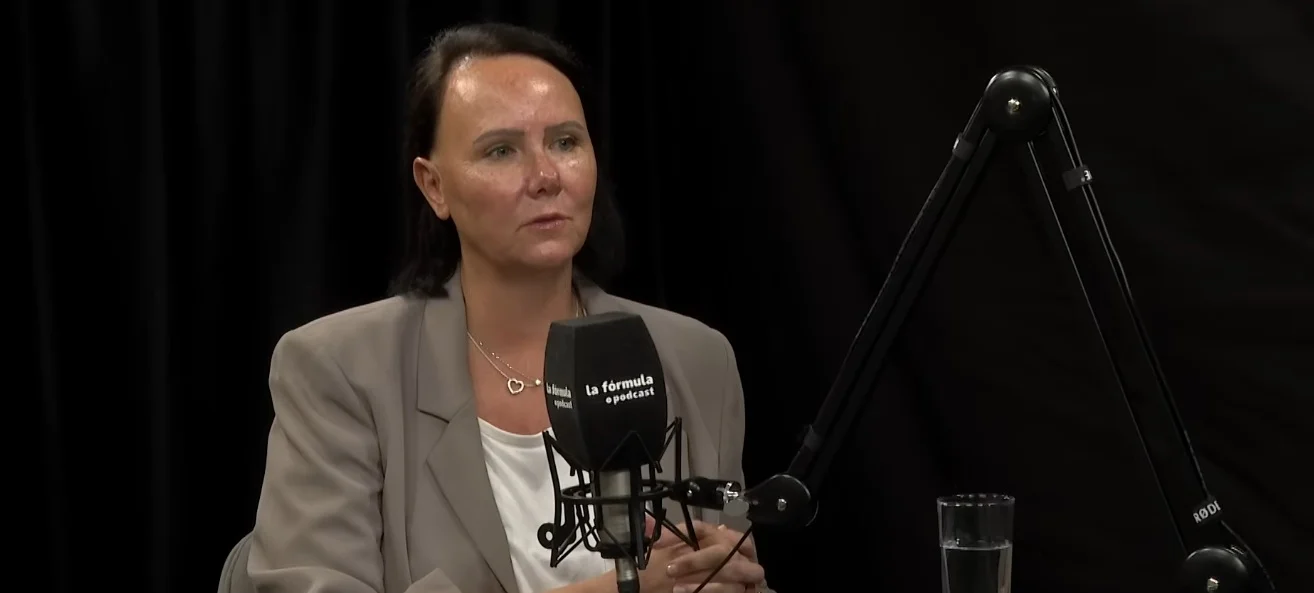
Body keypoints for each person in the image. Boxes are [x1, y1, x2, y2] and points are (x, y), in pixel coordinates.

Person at [246, 22, 769, 593]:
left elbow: (732, 568)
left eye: (565, 142)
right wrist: (623, 589)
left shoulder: (697, 359)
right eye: (501, 150)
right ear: (434, 186)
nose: (546, 177)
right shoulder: (340, 369)